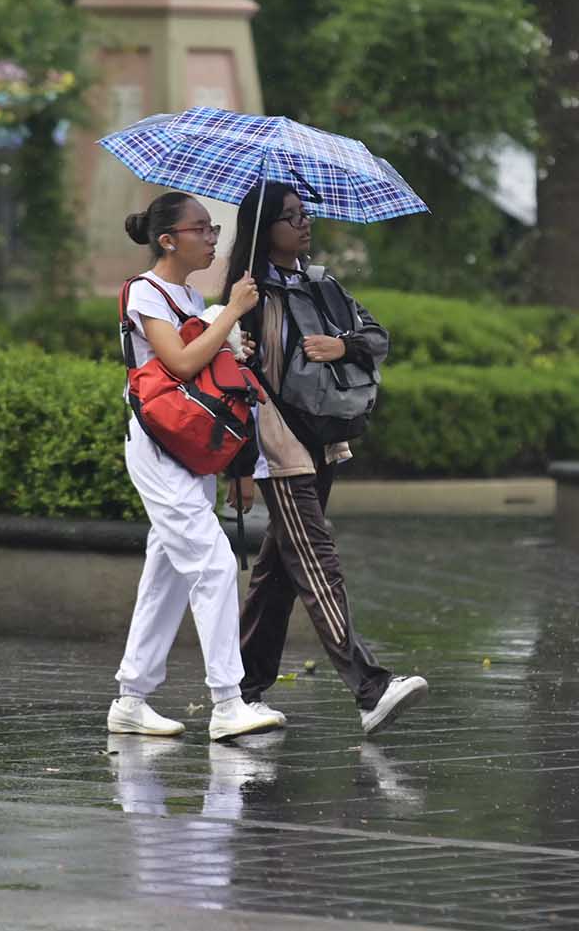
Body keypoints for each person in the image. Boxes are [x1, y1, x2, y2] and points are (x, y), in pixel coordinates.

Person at [221, 181, 428, 736]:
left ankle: (239, 691)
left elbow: (377, 336)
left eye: (304, 214)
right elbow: (231, 384)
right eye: (290, 217)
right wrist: (238, 468)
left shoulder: (320, 283)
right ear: (265, 230)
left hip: (324, 436)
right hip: (276, 442)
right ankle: (370, 688)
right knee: (316, 557)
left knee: (278, 572)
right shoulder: (249, 295)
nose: (303, 223)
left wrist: (343, 345)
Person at [109, 191, 286, 741]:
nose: (213, 238)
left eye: (213, 230)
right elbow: (181, 361)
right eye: (202, 230)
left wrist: (233, 344)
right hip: (159, 443)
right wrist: (229, 312)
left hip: (193, 445)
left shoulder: (188, 295)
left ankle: (131, 698)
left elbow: (210, 370)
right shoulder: (146, 293)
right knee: (210, 564)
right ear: (168, 239)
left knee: (167, 572)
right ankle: (229, 702)